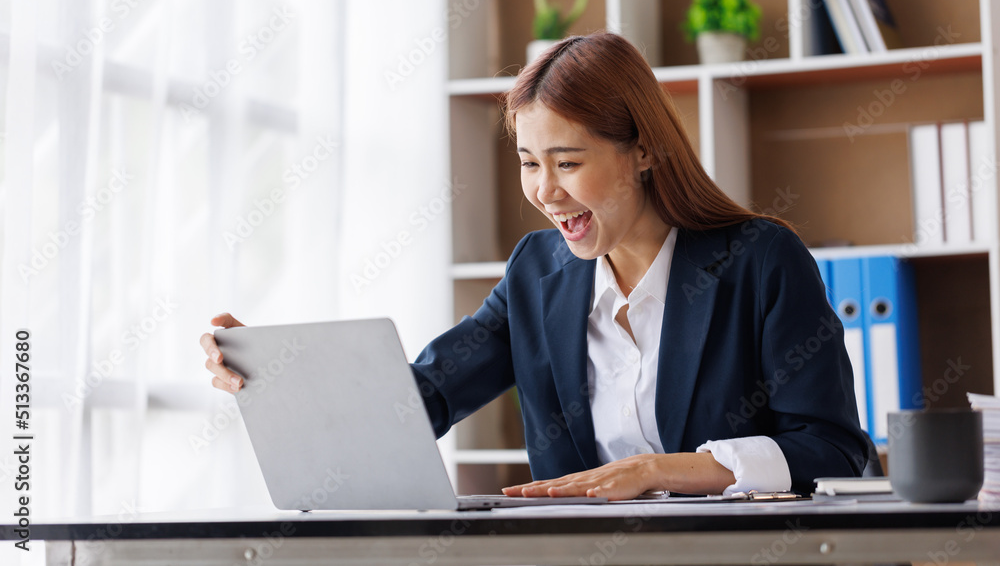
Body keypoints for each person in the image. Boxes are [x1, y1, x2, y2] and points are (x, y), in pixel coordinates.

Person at [200, 32, 868, 499]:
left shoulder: (758, 260)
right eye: (528, 162)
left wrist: (663, 470)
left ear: (642, 151)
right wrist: (274, 373)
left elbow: (835, 450)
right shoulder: (537, 272)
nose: (545, 191)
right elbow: (425, 395)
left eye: (568, 162)